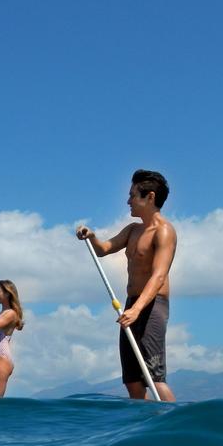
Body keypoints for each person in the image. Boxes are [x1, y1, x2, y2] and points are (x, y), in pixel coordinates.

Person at [76, 169, 177, 401]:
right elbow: (103, 250)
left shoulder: (164, 232)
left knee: (153, 377)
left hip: (151, 307)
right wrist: (91, 236)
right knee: (132, 381)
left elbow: (159, 276)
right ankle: (145, 427)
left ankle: (175, 427)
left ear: (149, 197)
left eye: (132, 195)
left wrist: (136, 310)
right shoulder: (133, 230)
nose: (128, 201)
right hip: (132, 306)